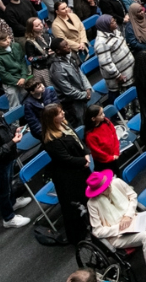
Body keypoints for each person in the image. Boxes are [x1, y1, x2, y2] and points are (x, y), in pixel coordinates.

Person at [85, 170, 146, 282]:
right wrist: (119, 228)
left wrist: (128, 215)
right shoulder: (92, 204)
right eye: (105, 188)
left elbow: (132, 196)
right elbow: (97, 231)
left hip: (132, 220)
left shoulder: (117, 182)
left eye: (108, 184)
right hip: (117, 236)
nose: (109, 187)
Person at [0, 97, 34, 228]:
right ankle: (8, 219)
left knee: (8, 184)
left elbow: (5, 129)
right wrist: (12, 142)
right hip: (0, 164)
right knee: (3, 190)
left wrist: (15, 130)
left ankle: (13, 202)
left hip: (8, 158)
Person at [40, 103, 91, 244]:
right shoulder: (51, 140)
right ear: (51, 119)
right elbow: (66, 159)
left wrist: (86, 153)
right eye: (59, 113)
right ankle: (80, 236)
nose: (63, 114)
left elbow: (77, 140)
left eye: (62, 110)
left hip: (80, 167)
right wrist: (83, 161)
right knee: (75, 206)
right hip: (68, 177)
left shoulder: (64, 125)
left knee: (88, 198)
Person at [50, 38, 93, 125]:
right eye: (65, 46)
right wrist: (85, 95)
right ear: (58, 51)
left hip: (82, 95)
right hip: (72, 103)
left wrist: (87, 88)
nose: (68, 47)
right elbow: (68, 90)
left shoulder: (69, 57)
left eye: (67, 44)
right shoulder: (57, 69)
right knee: (83, 124)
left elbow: (80, 73)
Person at [93, 15, 134, 90]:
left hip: (129, 70)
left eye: (114, 20)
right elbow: (106, 63)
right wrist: (117, 75)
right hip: (120, 77)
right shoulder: (101, 43)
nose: (115, 22)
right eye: (112, 22)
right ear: (105, 25)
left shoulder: (115, 31)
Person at [0, 34, 31, 109]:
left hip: (22, 77)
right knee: (15, 106)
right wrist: (17, 81)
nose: (8, 41)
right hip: (10, 82)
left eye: (8, 38)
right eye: (4, 40)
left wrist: (23, 76)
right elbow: (3, 74)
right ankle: (17, 120)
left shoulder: (16, 46)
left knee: (29, 99)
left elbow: (22, 62)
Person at [84, 104, 122, 173]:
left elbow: (114, 135)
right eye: (100, 114)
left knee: (117, 174)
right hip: (104, 162)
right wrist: (111, 158)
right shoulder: (90, 135)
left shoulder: (106, 121)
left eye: (103, 113)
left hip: (114, 155)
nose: (104, 115)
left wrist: (116, 152)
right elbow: (98, 152)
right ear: (93, 119)